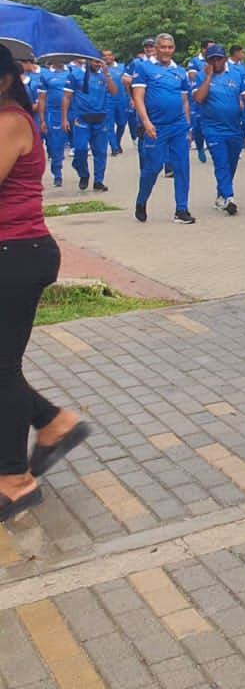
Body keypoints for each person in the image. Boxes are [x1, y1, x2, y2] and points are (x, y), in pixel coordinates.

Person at [0, 47, 91, 523]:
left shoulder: (11, 120)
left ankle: (15, 480)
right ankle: (56, 422)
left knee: (1, 368)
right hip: (15, 253)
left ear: (4, 80)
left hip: (16, 254)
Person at [131, 34, 196, 224]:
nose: (166, 51)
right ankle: (141, 201)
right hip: (156, 127)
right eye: (163, 47)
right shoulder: (143, 67)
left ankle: (181, 209)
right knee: (153, 167)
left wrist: (188, 126)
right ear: (156, 48)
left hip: (178, 126)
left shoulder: (180, 71)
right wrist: (146, 122)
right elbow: (138, 97)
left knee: (182, 166)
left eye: (170, 47)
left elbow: (184, 101)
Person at [190, 43, 245, 215]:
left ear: (225, 59)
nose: (215, 62)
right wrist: (208, 77)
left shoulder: (237, 74)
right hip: (212, 129)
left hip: (234, 127)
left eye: (218, 59)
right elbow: (198, 98)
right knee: (221, 163)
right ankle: (229, 197)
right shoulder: (200, 76)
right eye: (211, 59)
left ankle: (221, 194)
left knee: (231, 163)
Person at [62, 55, 119, 193]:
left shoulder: (103, 76)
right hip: (81, 119)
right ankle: (83, 173)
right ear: (88, 60)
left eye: (100, 62)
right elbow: (67, 97)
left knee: (100, 152)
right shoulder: (75, 75)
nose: (97, 64)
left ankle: (98, 181)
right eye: (95, 61)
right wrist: (64, 118)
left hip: (100, 118)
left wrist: (106, 74)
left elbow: (114, 92)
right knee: (80, 149)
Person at [36, 59, 71, 188]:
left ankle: (80, 167)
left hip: (73, 111)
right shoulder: (45, 75)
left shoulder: (71, 71)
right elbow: (42, 99)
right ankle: (57, 174)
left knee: (80, 146)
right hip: (54, 113)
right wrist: (42, 119)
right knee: (56, 146)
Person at [103, 50, 129, 158]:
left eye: (109, 55)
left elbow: (128, 83)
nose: (107, 57)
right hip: (107, 101)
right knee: (109, 125)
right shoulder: (100, 70)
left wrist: (131, 98)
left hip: (122, 99)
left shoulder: (122, 67)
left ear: (113, 56)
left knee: (122, 123)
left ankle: (117, 142)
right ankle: (114, 148)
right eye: (104, 56)